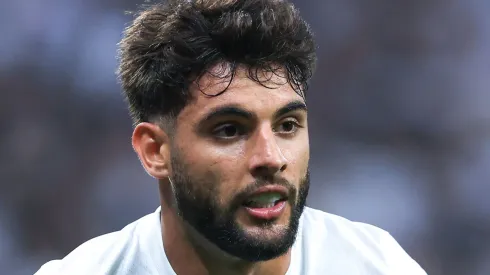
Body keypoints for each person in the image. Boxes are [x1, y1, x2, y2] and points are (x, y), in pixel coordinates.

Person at [35, 0, 427, 274]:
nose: (271, 158)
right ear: (155, 151)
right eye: (229, 130)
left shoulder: (378, 265)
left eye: (287, 125)